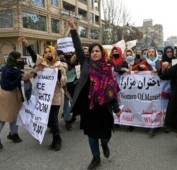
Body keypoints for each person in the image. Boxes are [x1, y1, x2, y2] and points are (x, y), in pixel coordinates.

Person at [67, 16, 121, 170]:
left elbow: (112, 91)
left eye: (97, 51)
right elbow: (78, 47)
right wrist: (73, 29)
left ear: (102, 53)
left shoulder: (107, 69)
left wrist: (116, 108)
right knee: (91, 136)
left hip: (103, 108)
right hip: (88, 107)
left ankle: (104, 144)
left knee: (105, 135)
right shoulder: (85, 64)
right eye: (92, 51)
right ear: (89, 54)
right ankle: (96, 158)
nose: (95, 53)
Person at [19, 36, 67, 151]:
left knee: (53, 120)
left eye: (49, 52)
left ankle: (58, 140)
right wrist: (26, 43)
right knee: (48, 120)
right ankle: (55, 140)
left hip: (55, 98)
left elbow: (64, 81)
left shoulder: (61, 65)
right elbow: (34, 56)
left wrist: (58, 73)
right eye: (45, 52)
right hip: (43, 99)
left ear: (54, 53)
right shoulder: (43, 64)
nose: (47, 54)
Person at [0, 51, 39, 150]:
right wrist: (36, 70)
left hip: (3, 94)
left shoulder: (6, 68)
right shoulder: (13, 70)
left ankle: (12, 134)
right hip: (11, 95)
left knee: (10, 115)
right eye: (19, 58)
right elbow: (24, 77)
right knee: (9, 116)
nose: (21, 60)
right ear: (14, 59)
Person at [132, 47, 161, 137]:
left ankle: (154, 127)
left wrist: (159, 71)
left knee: (156, 107)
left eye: (153, 52)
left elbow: (165, 72)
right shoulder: (144, 62)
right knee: (148, 107)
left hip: (157, 89)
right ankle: (148, 124)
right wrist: (140, 68)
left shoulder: (159, 62)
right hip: (147, 90)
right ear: (147, 54)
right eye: (149, 52)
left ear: (155, 53)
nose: (151, 53)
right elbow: (133, 69)